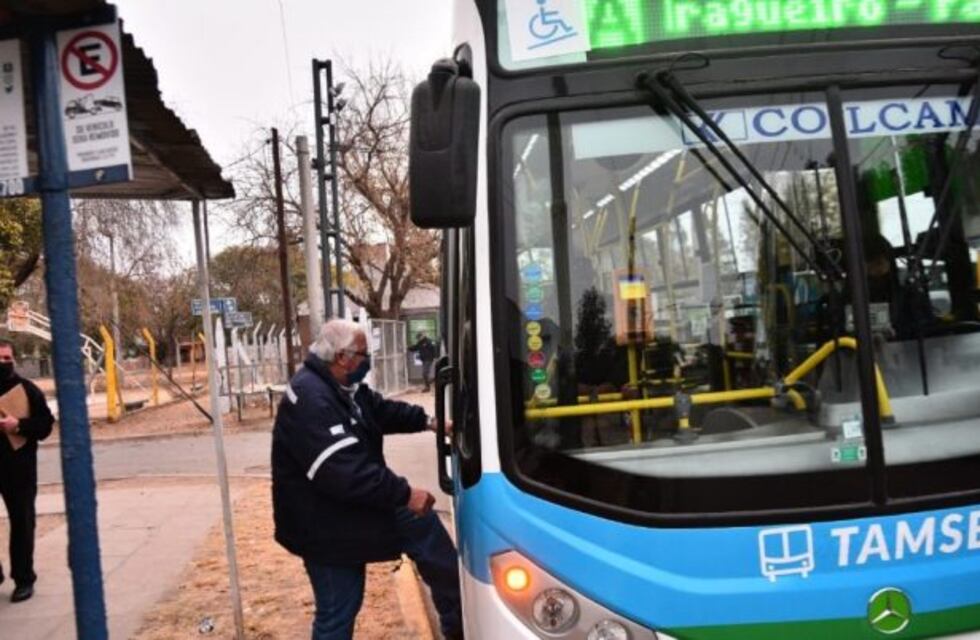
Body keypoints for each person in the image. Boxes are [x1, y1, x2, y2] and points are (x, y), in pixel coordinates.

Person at [272, 320, 463, 640]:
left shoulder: (340, 385)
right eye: (364, 354)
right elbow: (346, 473)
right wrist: (405, 494)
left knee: (429, 539)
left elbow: (378, 409)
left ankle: (459, 626)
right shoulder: (312, 398)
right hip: (324, 528)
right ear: (343, 357)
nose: (369, 360)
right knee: (338, 610)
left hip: (347, 511)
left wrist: (431, 422)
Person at [0, 339, 54, 603]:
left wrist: (18, 425)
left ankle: (23, 579)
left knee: (22, 522)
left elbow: (45, 425)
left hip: (18, 469)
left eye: (7, 359)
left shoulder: (28, 389)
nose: (3, 364)